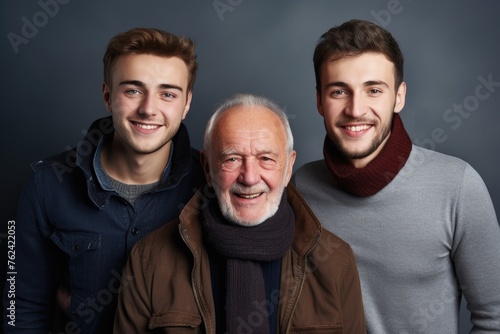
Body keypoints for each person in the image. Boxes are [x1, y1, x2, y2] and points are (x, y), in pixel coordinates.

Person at [293, 19, 500, 333]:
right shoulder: (302, 187)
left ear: (399, 97)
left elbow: (494, 319)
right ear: (320, 100)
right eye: (339, 91)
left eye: (374, 90)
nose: (356, 109)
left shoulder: (457, 186)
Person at [2, 28, 205, 333]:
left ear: (186, 104)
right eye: (133, 90)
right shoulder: (46, 185)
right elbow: (21, 305)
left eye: (168, 94)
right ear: (108, 96)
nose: (149, 109)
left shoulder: (211, 184)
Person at [113, 93, 366, 333]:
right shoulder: (149, 259)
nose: (250, 177)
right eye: (232, 159)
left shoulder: (335, 261)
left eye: (266, 158)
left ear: (288, 168)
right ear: (208, 168)